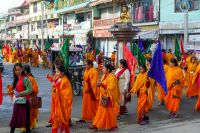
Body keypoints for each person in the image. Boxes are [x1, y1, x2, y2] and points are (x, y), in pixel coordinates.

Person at [90, 64, 120, 131]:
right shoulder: (104, 76)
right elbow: (102, 84)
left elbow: (111, 88)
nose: (102, 69)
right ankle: (96, 125)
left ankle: (113, 126)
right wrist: (99, 84)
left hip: (109, 97)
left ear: (108, 70)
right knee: (100, 112)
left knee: (109, 113)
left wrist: (102, 85)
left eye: (104, 68)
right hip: (103, 97)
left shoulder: (112, 77)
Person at [8, 63, 33, 133]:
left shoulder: (25, 79)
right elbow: (16, 91)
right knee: (14, 118)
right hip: (17, 102)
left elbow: (30, 89)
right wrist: (8, 93)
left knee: (26, 121)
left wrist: (20, 94)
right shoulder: (16, 79)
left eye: (19, 70)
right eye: (16, 70)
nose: (17, 72)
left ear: (22, 69)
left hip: (24, 103)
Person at [48, 65, 73, 133]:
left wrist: (57, 91)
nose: (56, 73)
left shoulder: (65, 81)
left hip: (62, 105)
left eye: (58, 72)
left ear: (62, 73)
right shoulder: (58, 78)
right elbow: (54, 83)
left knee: (60, 121)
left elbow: (67, 94)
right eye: (55, 71)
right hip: (55, 103)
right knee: (61, 121)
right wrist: (49, 78)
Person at [23, 65, 39, 130]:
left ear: (26, 71)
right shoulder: (23, 77)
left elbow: (35, 89)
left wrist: (28, 90)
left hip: (29, 99)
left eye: (23, 70)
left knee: (30, 113)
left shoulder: (31, 79)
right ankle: (29, 125)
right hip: (24, 98)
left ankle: (28, 126)